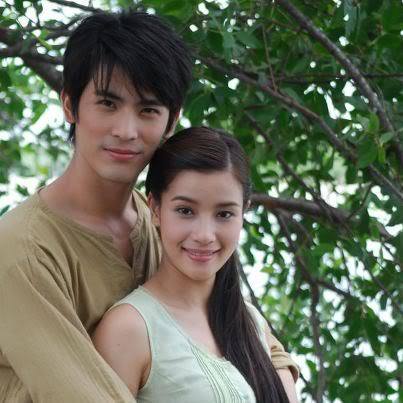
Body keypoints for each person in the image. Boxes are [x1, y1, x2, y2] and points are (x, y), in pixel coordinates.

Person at [0, 10, 297, 403]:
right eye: (108, 103)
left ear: (171, 121)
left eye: (148, 110)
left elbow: (245, 328)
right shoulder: (21, 250)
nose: (126, 131)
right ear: (70, 105)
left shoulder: (161, 219)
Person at [93, 127, 299, 403]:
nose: (204, 235)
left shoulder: (250, 321)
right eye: (185, 211)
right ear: (155, 209)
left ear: (244, 212)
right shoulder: (129, 328)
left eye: (224, 214)